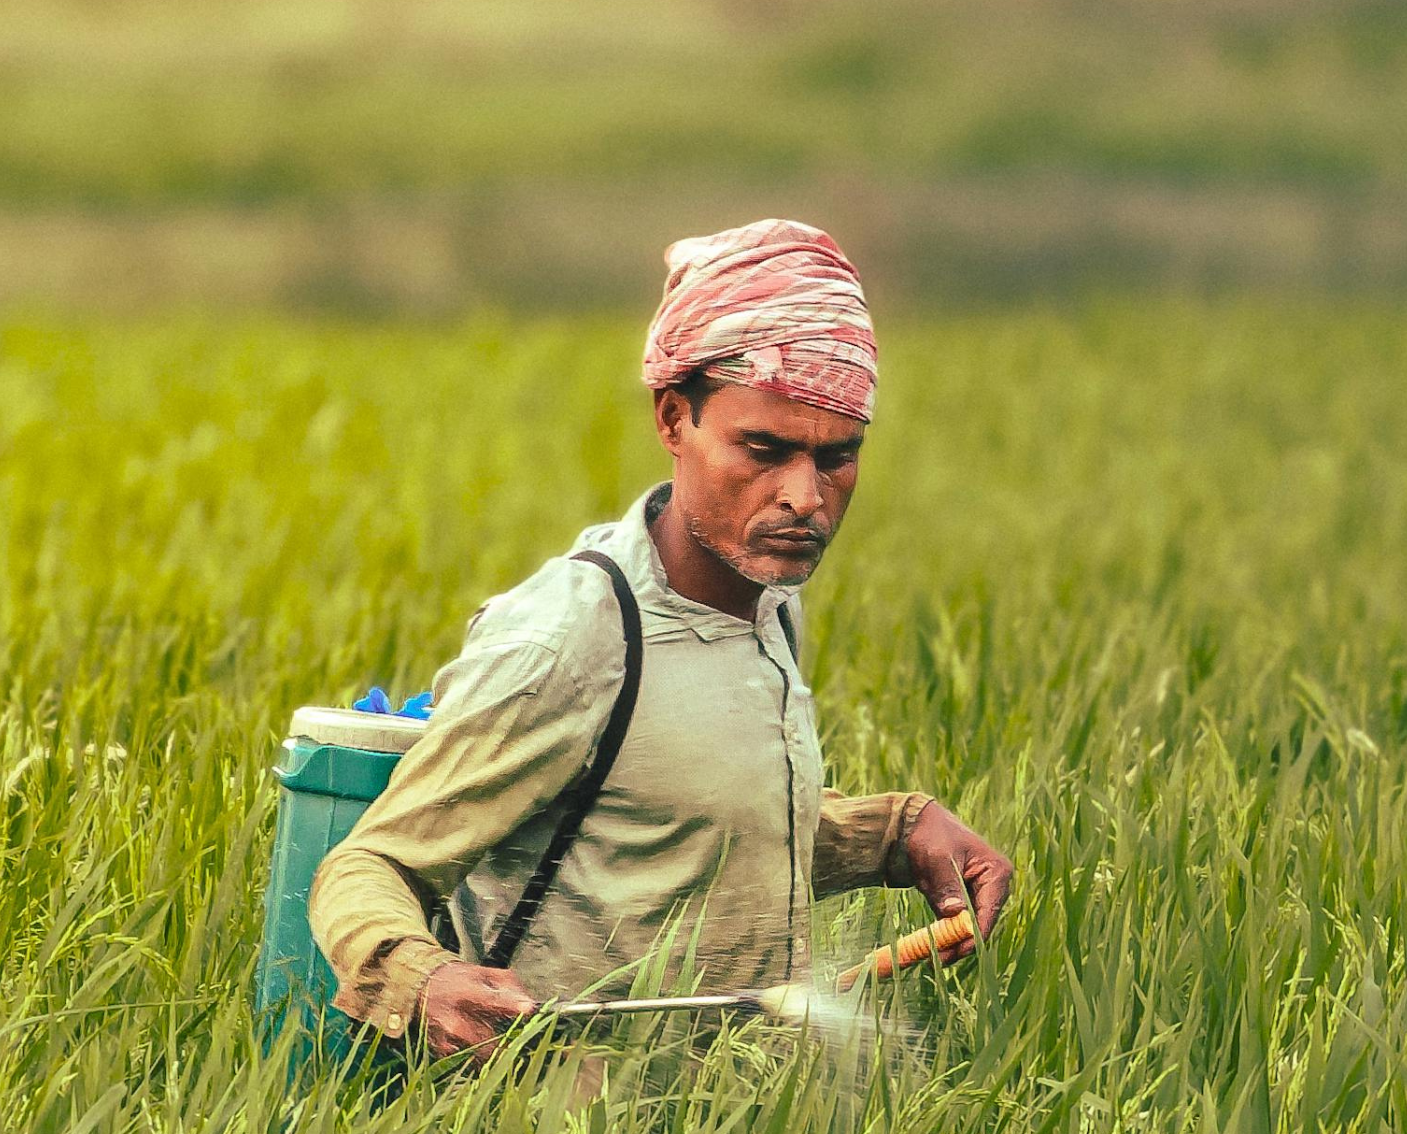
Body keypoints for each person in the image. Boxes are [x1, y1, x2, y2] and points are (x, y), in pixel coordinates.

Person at [312, 217, 1015, 1061]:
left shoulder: (768, 602)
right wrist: (419, 979)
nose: (804, 495)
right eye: (764, 448)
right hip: (556, 1123)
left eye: (836, 457)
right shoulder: (571, 638)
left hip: (721, 1118)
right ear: (674, 417)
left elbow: (681, 821)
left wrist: (894, 833)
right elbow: (370, 864)